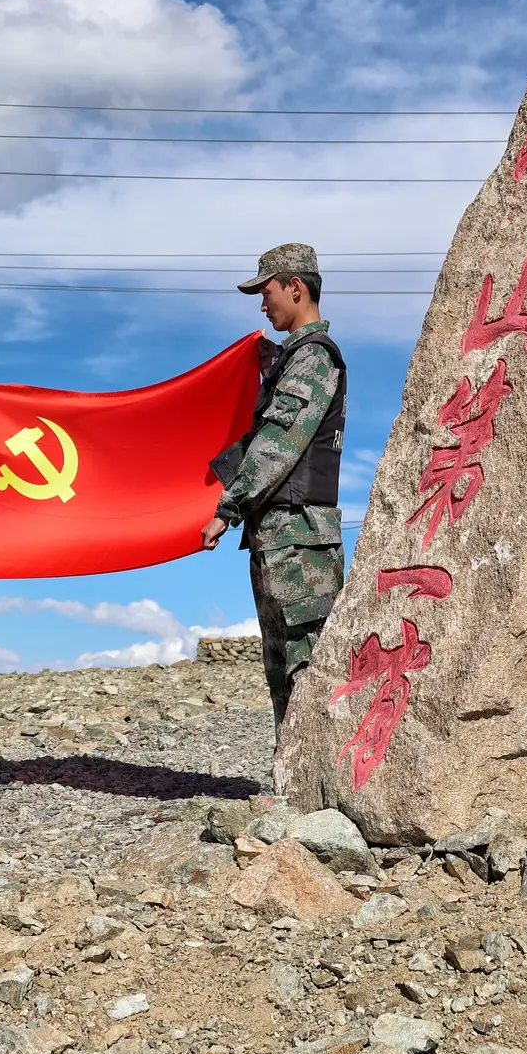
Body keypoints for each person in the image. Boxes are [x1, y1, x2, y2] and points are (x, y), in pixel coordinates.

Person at [200, 243, 347, 728]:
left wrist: (227, 507)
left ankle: (313, 784)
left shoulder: (313, 360)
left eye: (267, 293)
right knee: (281, 666)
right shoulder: (289, 361)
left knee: (306, 666)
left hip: (300, 541)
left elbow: (278, 444)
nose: (264, 306)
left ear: (296, 288)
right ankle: (293, 779)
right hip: (280, 537)